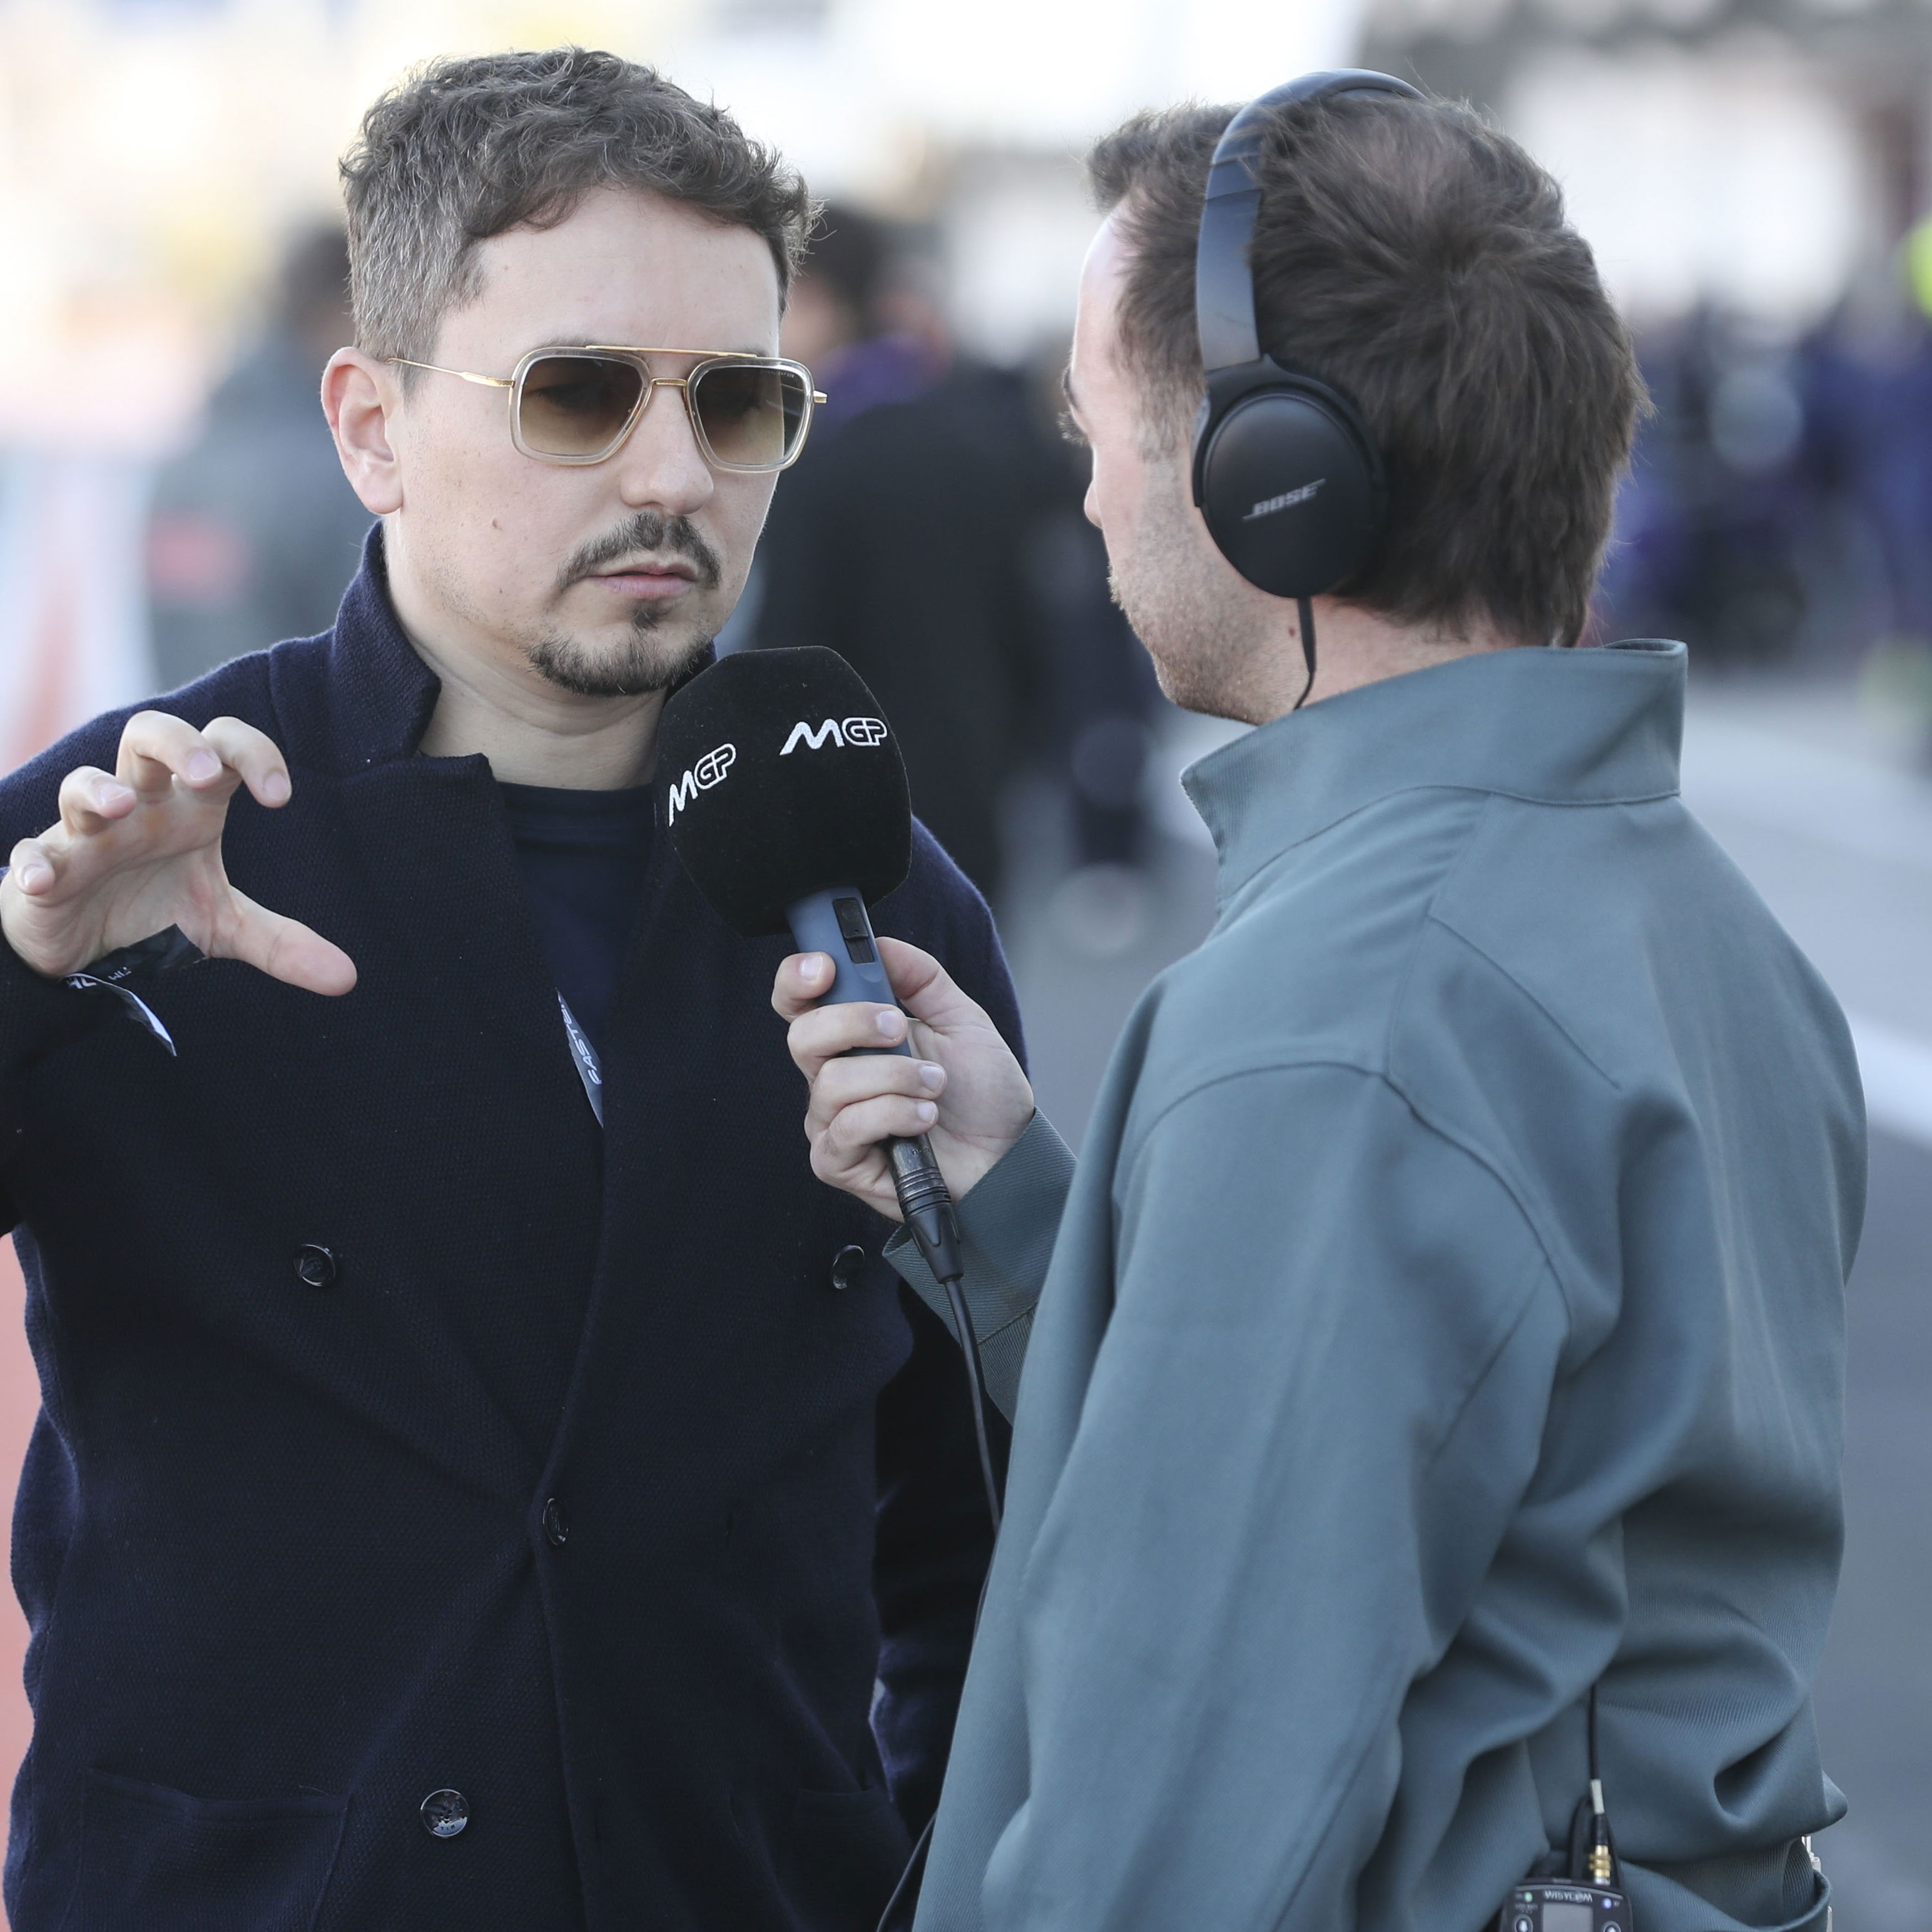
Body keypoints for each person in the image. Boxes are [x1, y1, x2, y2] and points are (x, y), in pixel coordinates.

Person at [776, 80, 1854, 1932]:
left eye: (1103, 432)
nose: (1096, 494)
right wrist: (1026, 1211)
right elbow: (1455, 1473)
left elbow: (1166, 1835)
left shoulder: (1342, 1029)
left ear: (1280, 484)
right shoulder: (1677, 911)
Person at [0, 49, 1018, 1932]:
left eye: (738, 402)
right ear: (371, 427)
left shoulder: (876, 885)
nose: (671, 472)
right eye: (578, 395)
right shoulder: (131, 831)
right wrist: (28, 984)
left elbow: (972, 1526)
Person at [145, 225, 375, 688]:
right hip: (297, 753)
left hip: (181, 746)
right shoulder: (341, 469)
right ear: (338, 317)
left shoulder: (182, 464)